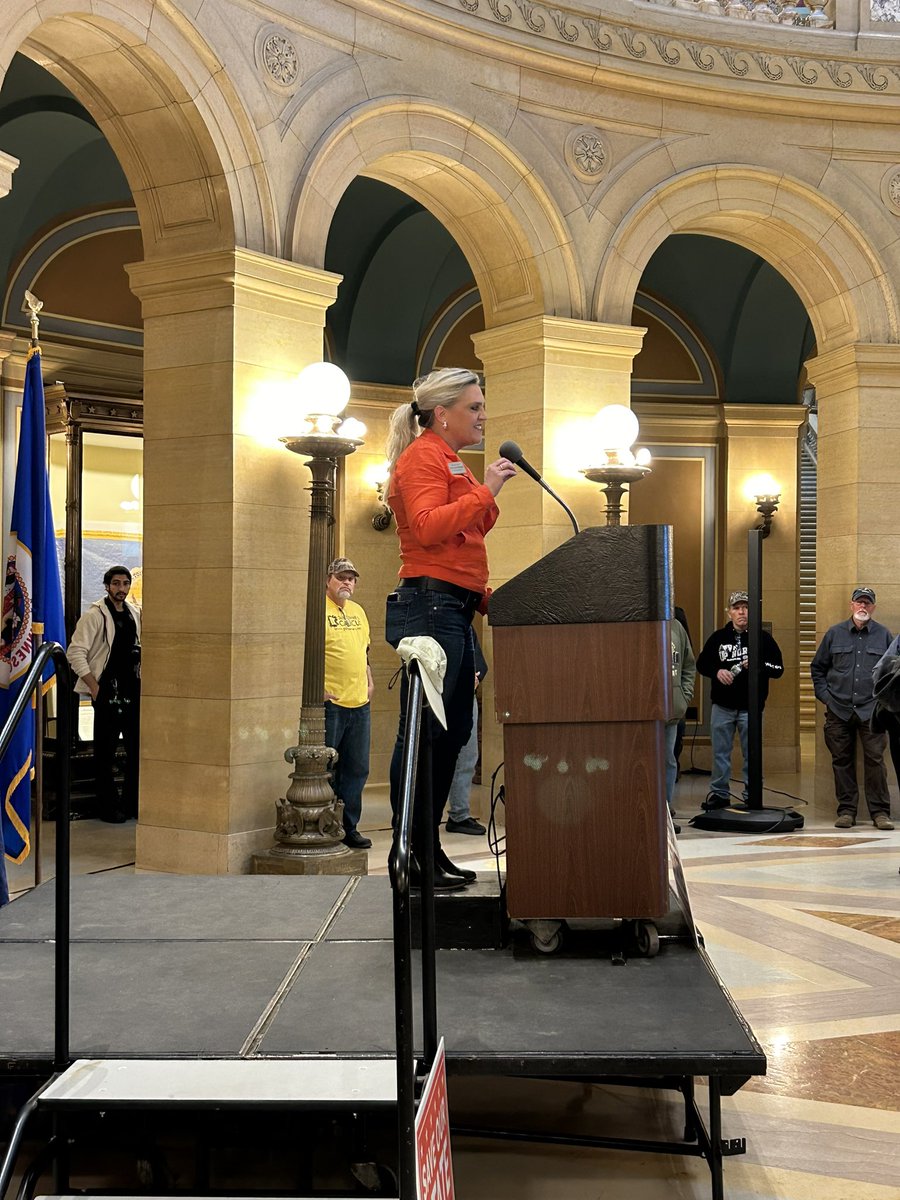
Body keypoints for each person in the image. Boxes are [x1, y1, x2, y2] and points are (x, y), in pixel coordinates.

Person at [384, 367, 516, 889]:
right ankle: (410, 847)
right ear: (442, 413)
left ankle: (426, 846)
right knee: (425, 735)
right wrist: (486, 490)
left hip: (455, 608)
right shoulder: (423, 457)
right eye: (474, 407)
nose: (483, 415)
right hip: (430, 610)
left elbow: (462, 535)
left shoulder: (450, 459)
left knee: (453, 733)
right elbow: (427, 527)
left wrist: (486, 598)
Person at [810, 586, 894, 830]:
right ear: (852, 605)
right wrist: (826, 697)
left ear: (874, 607)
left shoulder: (883, 635)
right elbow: (817, 668)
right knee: (841, 760)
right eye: (859, 602)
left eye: (868, 603)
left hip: (872, 712)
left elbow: (892, 672)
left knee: (875, 761)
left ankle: (880, 812)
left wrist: (884, 702)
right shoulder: (834, 634)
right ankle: (846, 810)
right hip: (838, 709)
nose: (863, 607)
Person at [67, 566, 141, 823]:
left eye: (125, 584)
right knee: (105, 750)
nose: (121, 589)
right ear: (107, 586)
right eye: (116, 584)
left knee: (135, 748)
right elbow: (75, 652)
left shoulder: (134, 613)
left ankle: (131, 803)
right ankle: (108, 807)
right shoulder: (94, 615)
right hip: (107, 687)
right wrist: (93, 686)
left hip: (132, 687)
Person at [696, 590, 784, 809]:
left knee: (752, 754)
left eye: (745, 607)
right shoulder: (718, 638)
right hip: (722, 706)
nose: (742, 612)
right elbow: (701, 664)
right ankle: (719, 794)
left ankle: (752, 794)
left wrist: (758, 664)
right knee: (720, 753)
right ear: (729, 613)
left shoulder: (763, 639)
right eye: (736, 608)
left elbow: (778, 669)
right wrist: (717, 671)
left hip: (751, 708)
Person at [324, 556, 374, 850]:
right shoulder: (317, 610)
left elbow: (363, 651)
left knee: (356, 769)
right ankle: (325, 825)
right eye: (341, 577)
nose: (347, 582)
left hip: (360, 703)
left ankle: (348, 827)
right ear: (328, 580)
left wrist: (369, 680)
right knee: (327, 769)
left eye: (351, 578)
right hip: (332, 705)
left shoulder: (358, 611)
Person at [445, 633, 488, 836]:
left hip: (465, 696)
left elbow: (478, 661)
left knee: (468, 756)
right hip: (441, 694)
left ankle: (459, 814)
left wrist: (476, 676)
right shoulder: (433, 620)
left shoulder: (466, 626)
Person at [666, 615, 696, 832]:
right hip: (642, 713)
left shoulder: (676, 627)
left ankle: (665, 812)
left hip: (671, 712)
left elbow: (688, 665)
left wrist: (683, 698)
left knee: (668, 761)